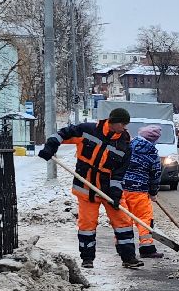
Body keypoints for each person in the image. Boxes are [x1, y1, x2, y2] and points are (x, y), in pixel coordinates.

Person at [37, 107, 141, 269]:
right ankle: (87, 259)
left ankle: (129, 258)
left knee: (123, 222)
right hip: (85, 187)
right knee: (87, 225)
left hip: (108, 189)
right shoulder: (88, 130)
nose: (124, 127)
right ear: (113, 121)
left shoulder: (125, 144)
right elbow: (62, 134)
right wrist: (51, 147)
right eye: (122, 124)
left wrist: (115, 193)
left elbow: (119, 173)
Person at [122, 123, 164, 259]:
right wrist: (153, 193)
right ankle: (147, 248)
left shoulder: (129, 145)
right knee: (144, 219)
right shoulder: (152, 152)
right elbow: (155, 175)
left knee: (123, 219)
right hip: (139, 191)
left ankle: (123, 248)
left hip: (121, 189)